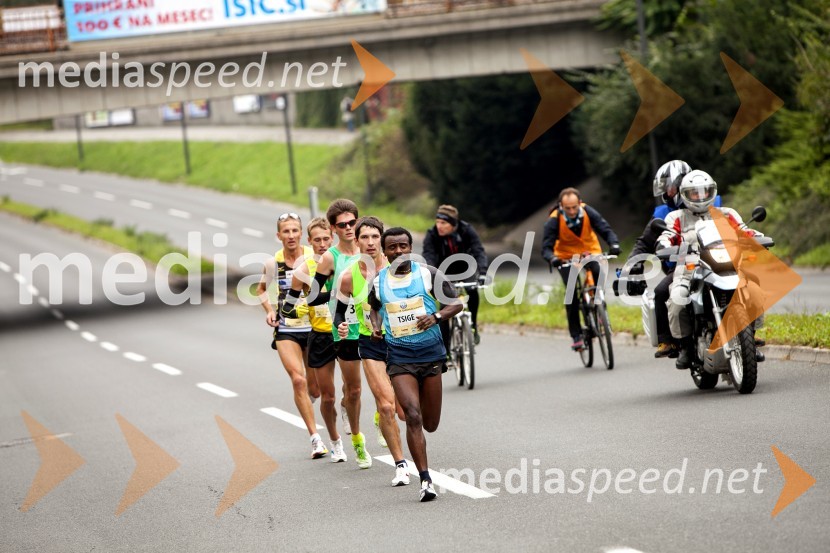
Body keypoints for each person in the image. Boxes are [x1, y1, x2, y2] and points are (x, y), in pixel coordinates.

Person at [368, 227, 462, 502]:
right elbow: (373, 307)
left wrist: (436, 316)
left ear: (411, 247)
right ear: (384, 252)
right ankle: (425, 480)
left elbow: (456, 304)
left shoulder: (428, 273)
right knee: (413, 415)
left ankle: (423, 470)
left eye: (403, 246)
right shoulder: (379, 281)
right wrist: (376, 326)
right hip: (399, 357)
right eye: (393, 247)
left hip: (431, 354)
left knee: (430, 423)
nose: (398, 251)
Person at [656, 170, 764, 369]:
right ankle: (687, 346)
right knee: (678, 299)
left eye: (705, 192)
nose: (700, 197)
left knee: (754, 289)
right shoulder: (676, 217)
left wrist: (758, 237)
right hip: (690, 269)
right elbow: (667, 235)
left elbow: (743, 229)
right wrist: (664, 245)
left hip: (727, 264)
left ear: (712, 192)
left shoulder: (727, 213)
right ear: (685, 194)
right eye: (694, 193)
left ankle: (751, 338)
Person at [334, 216, 411, 487]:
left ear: (383, 239)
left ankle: (383, 417)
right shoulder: (348, 277)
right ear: (356, 241)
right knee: (386, 405)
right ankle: (399, 464)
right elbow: (339, 313)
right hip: (370, 342)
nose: (369, 243)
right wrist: (342, 327)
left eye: (374, 237)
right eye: (363, 238)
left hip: (401, 341)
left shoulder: (400, 270)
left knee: (404, 411)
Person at [298, 199, 372, 469]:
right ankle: (348, 441)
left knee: (375, 387)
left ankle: (378, 415)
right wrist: (344, 293)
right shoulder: (331, 257)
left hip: (373, 327)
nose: (349, 228)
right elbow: (314, 296)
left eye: (353, 222)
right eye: (343, 225)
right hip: (341, 329)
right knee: (342, 393)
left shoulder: (373, 248)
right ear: (334, 229)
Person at [257, 212, 326, 459]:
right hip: (286, 328)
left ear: (302, 234)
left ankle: (311, 399)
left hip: (315, 327)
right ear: (278, 235)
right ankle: (315, 438)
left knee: (315, 388)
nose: (291, 235)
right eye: (286, 231)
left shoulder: (314, 257)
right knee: (298, 380)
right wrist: (270, 311)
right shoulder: (272, 263)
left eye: (295, 230)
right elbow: (261, 290)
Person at [282, 217, 347, 462]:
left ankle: (347, 405)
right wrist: (301, 309)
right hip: (320, 335)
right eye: (316, 240)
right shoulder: (304, 269)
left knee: (351, 390)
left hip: (346, 332)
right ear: (309, 242)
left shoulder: (343, 263)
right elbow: (287, 308)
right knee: (324, 395)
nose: (321, 244)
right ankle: (335, 441)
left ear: (332, 238)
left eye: (325, 239)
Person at [541, 188, 621, 350]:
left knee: (598, 274)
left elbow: (604, 229)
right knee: (571, 292)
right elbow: (546, 247)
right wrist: (552, 258)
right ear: (561, 206)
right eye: (567, 208)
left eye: (574, 207)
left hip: (589, 252)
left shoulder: (588, 212)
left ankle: (600, 311)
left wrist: (614, 244)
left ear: (579, 203)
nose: (571, 211)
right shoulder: (554, 220)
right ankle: (576, 334)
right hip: (565, 257)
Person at [422, 204, 488, 347]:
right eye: (437, 222)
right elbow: (429, 256)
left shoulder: (466, 230)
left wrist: (482, 273)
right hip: (443, 272)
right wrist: (431, 274)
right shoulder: (432, 234)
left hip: (466, 268)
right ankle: (445, 350)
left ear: (453, 224)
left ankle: (474, 326)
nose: (439, 226)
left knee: (472, 290)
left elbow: (479, 251)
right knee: (446, 308)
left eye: (443, 223)